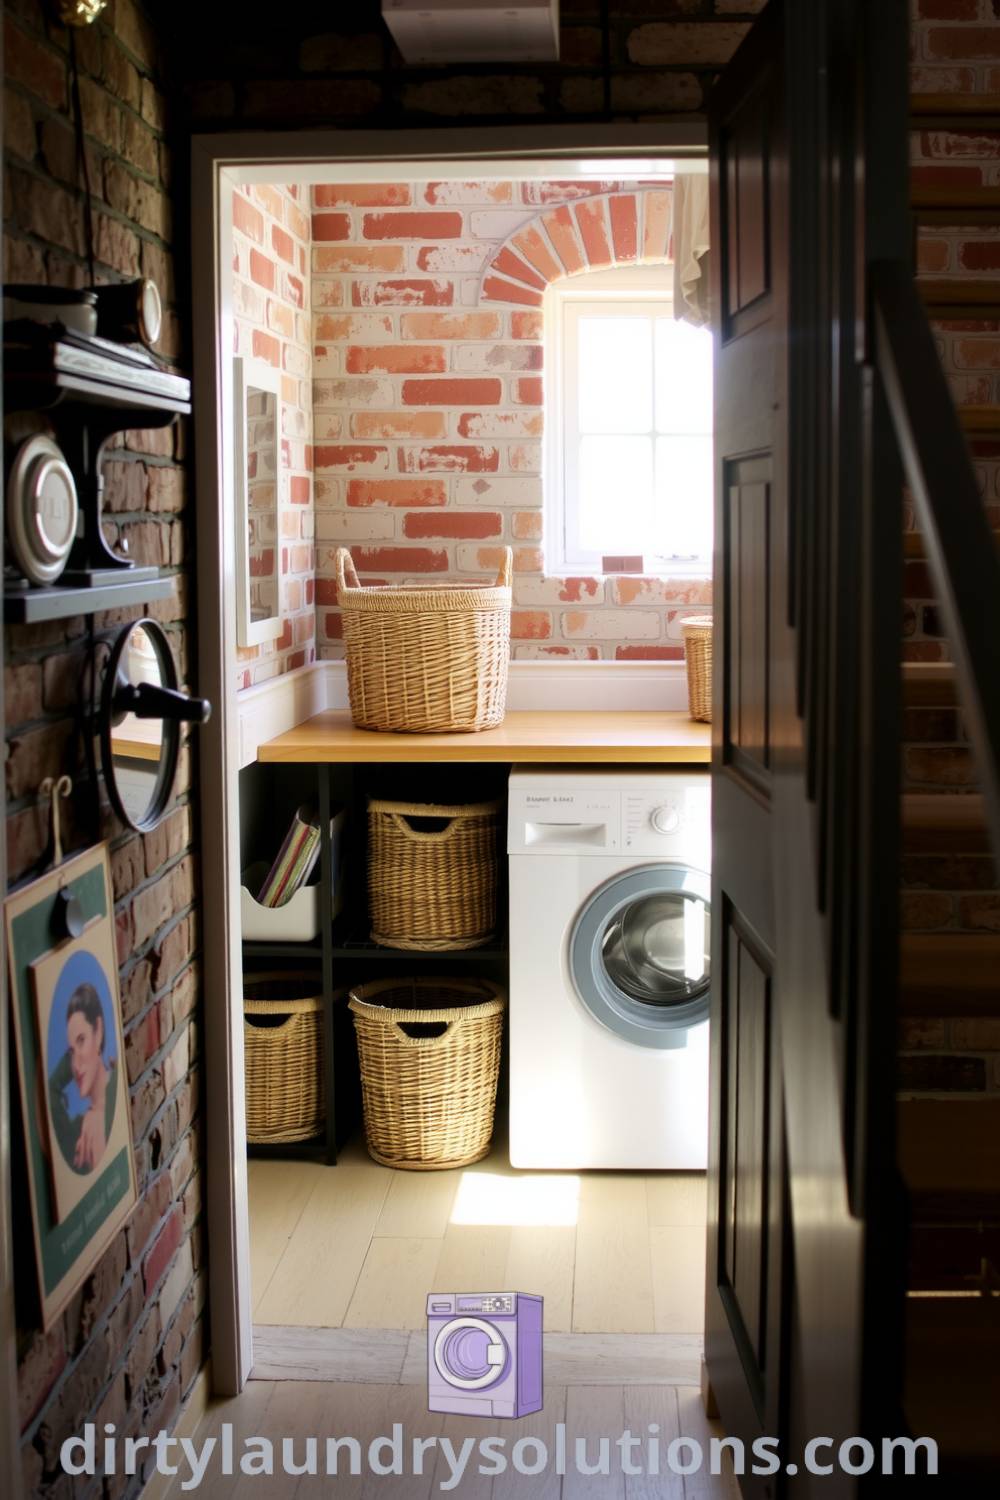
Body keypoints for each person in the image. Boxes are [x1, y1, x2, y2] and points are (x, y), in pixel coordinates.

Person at [47, 982, 117, 1175]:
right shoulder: (78, 1133)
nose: (76, 1064)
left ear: (99, 1031)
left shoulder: (118, 1085)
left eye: (81, 1040)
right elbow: (50, 1090)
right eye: (71, 1052)